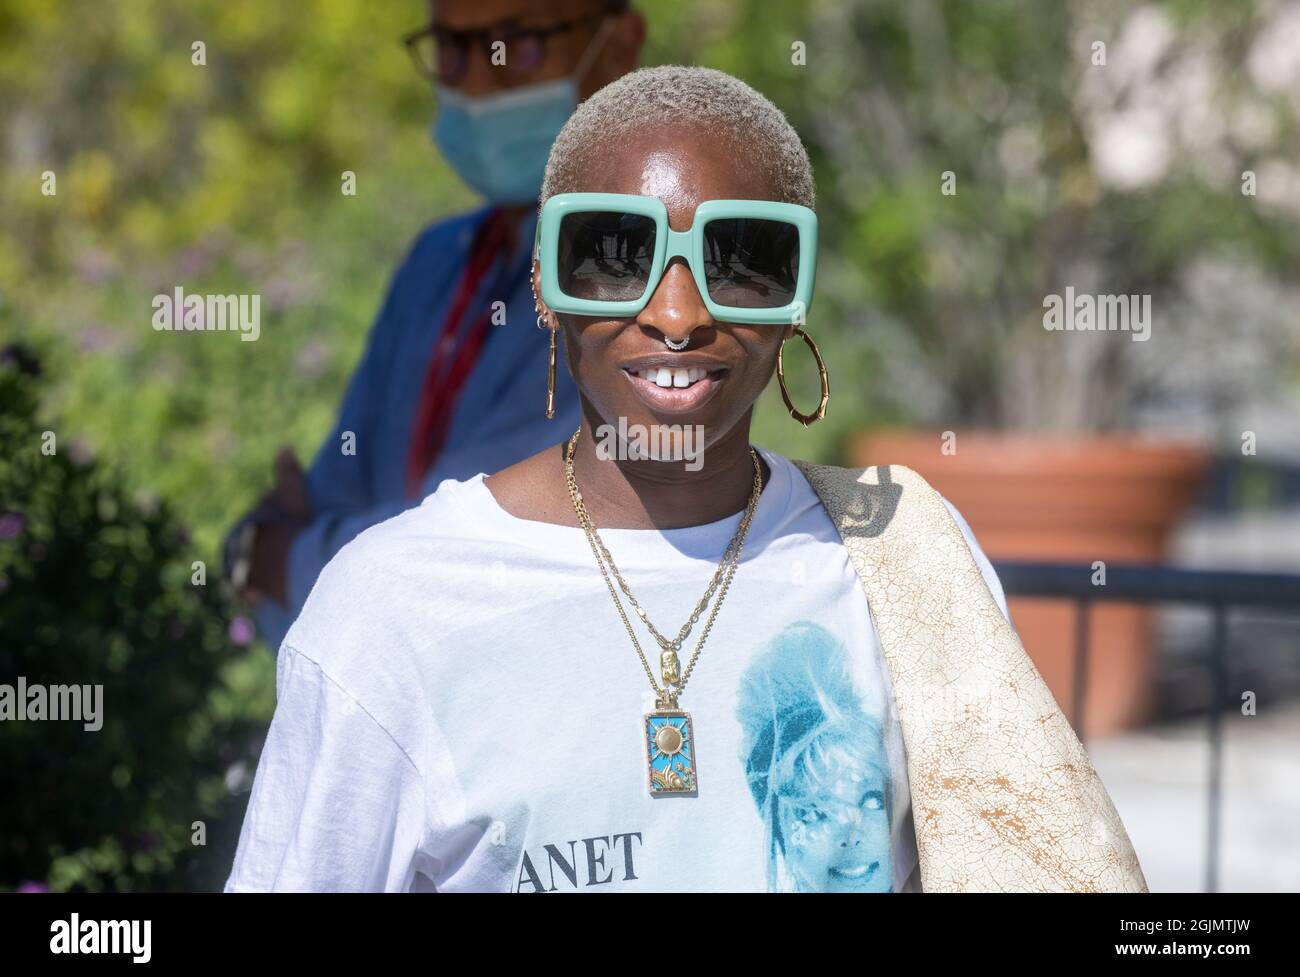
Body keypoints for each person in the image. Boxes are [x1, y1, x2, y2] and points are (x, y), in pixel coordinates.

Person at [225, 66, 1148, 893]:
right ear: (544, 282)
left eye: (742, 259)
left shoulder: (896, 562)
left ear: (799, 295)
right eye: (613, 255)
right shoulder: (393, 608)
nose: (677, 313)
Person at [223, 0, 646, 650]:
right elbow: (344, 497)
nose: (475, 83)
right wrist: (291, 553)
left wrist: (291, 556)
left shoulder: (642, 275)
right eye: (452, 48)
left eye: (519, 42)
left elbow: (473, 563)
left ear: (618, 46)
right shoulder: (438, 261)